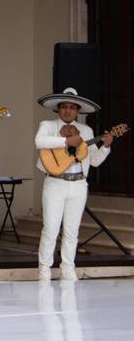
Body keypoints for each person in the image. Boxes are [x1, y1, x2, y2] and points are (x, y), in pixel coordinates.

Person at [35, 87, 113, 282]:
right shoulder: (47, 125)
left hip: (78, 184)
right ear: (58, 109)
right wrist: (67, 141)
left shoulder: (86, 130)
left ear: (77, 111)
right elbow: (40, 141)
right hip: (55, 183)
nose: (68, 111)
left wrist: (106, 146)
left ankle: (68, 268)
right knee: (51, 228)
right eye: (64, 107)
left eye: (72, 107)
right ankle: (44, 268)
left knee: (72, 230)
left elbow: (93, 160)